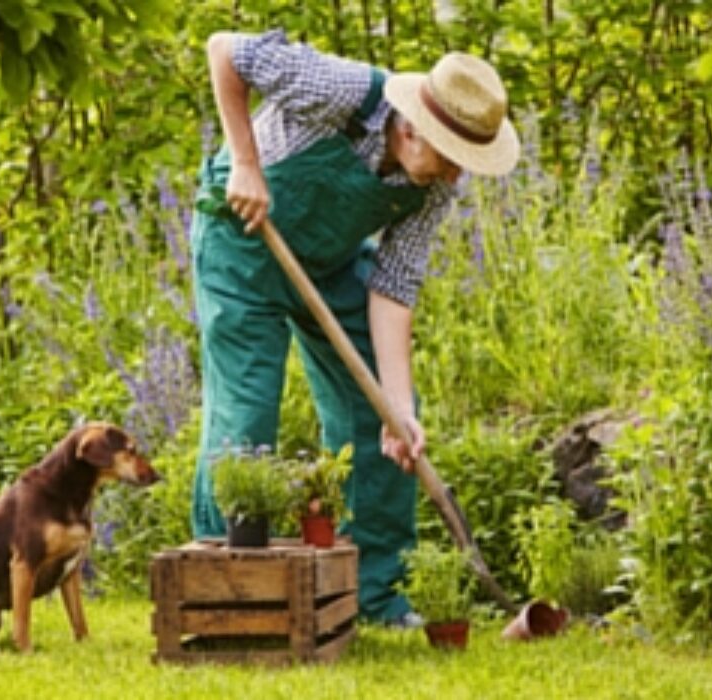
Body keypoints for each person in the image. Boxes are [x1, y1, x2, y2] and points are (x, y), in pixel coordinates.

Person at [188, 29, 519, 627]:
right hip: (241, 240)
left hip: (328, 260)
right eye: (449, 159)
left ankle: (371, 592)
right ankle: (224, 590)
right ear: (413, 128)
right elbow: (224, 50)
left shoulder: (433, 188)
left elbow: (394, 285)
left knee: (389, 417)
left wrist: (397, 405)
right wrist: (244, 163)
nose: (452, 178)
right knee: (247, 416)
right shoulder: (344, 91)